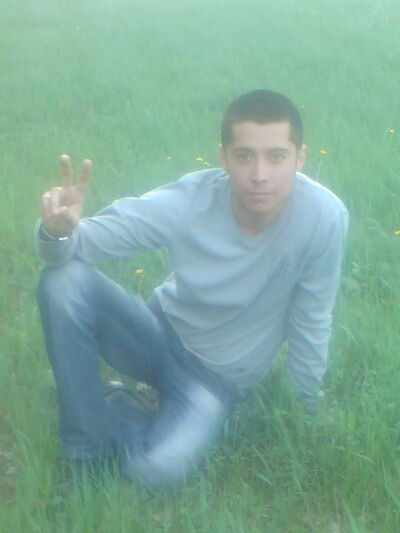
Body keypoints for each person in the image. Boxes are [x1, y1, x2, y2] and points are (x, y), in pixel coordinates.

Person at [36, 89, 348, 490]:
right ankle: (85, 452)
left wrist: (307, 408)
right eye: (244, 156)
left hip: (214, 379)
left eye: (276, 157)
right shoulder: (191, 200)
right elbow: (77, 246)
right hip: (155, 335)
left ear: (299, 158)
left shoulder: (323, 218)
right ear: (223, 157)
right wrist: (57, 232)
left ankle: (111, 401)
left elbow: (312, 317)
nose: (259, 175)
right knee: (64, 281)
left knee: (155, 470)